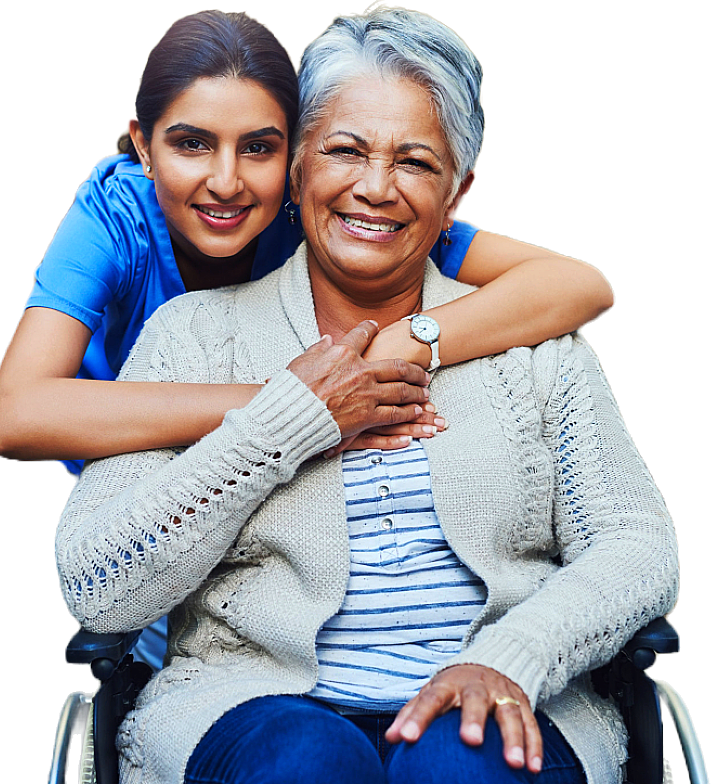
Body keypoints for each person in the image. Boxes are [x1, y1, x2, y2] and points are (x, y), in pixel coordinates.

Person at [54, 7, 679, 783]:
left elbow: (637, 544)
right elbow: (97, 588)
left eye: (415, 162)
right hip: (247, 701)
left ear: (457, 193)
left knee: (464, 759)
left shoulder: (537, 348)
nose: (375, 188)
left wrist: (514, 658)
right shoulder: (192, 335)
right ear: (298, 168)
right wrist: (287, 423)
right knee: (305, 760)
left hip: (509, 701)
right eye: (345, 150)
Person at [0, 9, 615, 479]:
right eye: (191, 143)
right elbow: (14, 416)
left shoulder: (332, 214)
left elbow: (580, 285)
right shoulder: (116, 214)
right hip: (151, 493)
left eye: (258, 146)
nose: (226, 181)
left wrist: (403, 343)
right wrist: (298, 402)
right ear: (144, 146)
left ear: (293, 157)